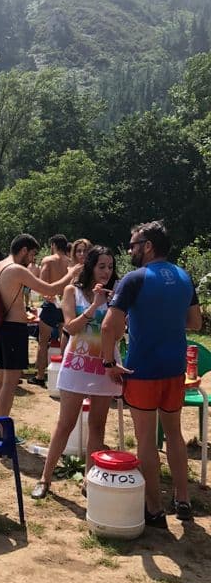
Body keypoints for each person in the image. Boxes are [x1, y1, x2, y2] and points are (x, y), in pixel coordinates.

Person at [101, 221, 202, 528]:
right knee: (174, 434)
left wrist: (108, 363)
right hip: (175, 370)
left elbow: (108, 326)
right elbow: (195, 322)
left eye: (133, 245)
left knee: (146, 438)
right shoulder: (185, 277)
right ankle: (183, 500)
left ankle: (154, 508)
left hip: (142, 369)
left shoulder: (134, 279)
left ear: (147, 246)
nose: (130, 250)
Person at [31, 247, 121, 498]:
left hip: (104, 367)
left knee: (98, 426)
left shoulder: (116, 296)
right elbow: (71, 327)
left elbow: (119, 335)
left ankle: (89, 479)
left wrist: (114, 307)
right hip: (77, 365)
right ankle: (45, 478)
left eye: (110, 267)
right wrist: (94, 306)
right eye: (102, 266)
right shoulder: (72, 291)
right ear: (91, 266)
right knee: (65, 424)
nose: (106, 272)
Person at [0, 234, 82, 418]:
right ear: (24, 250)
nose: (31, 260)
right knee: (10, 382)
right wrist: (71, 273)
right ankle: (3, 426)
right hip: (13, 329)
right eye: (31, 255)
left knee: (1, 378)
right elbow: (50, 289)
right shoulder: (16, 270)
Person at [30, 235, 71, 388]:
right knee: (64, 342)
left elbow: (42, 283)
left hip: (52, 303)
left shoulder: (48, 260)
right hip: (66, 304)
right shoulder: (70, 262)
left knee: (42, 341)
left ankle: (40, 375)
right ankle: (64, 374)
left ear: (53, 245)